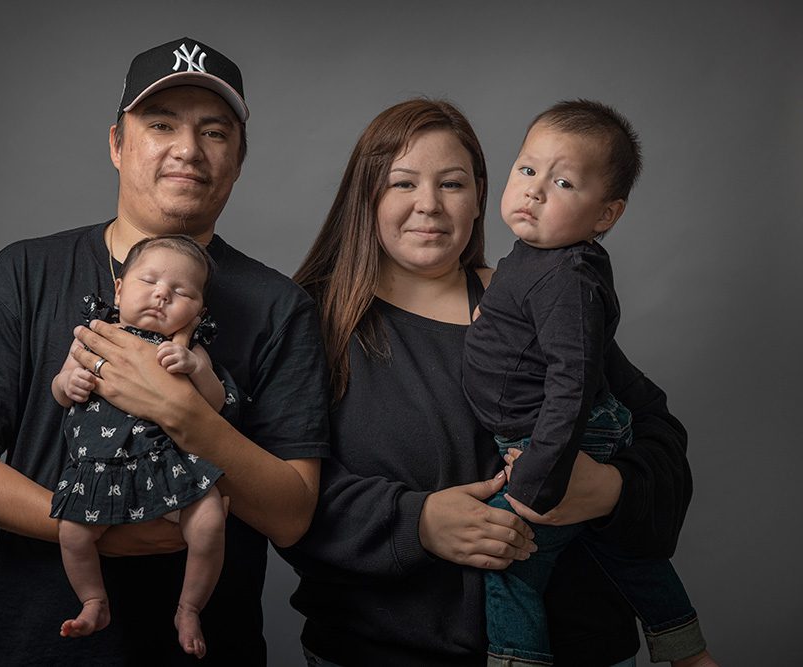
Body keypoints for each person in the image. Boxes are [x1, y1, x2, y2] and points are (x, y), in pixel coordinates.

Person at [0, 37, 329, 665]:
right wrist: (98, 524)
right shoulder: (25, 272)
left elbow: (292, 514)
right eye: (160, 125)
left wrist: (186, 413)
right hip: (44, 644)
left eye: (214, 132)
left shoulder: (278, 304)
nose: (187, 149)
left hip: (210, 649)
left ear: (238, 159)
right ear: (116, 144)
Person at [283, 98, 695, 667]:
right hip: (383, 648)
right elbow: (279, 498)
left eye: (451, 184)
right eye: (402, 183)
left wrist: (610, 490)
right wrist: (416, 521)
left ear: (479, 195)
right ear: (367, 195)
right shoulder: (312, 320)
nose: (428, 205)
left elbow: (657, 435)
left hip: (580, 645)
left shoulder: (532, 298)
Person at [463, 100, 714, 666]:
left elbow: (573, 387)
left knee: (511, 561)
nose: (534, 191)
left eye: (564, 182)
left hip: (563, 438)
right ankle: (687, 651)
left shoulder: (567, 279)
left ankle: (517, 659)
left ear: (606, 215)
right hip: (554, 431)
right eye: (527, 170)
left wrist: (536, 479)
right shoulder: (532, 257)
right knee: (620, 552)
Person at [51, 235, 233, 658]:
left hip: (166, 466)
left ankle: (189, 607)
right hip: (99, 468)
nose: (161, 294)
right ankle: (94, 599)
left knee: (208, 523)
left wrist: (193, 368)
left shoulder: (188, 351)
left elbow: (216, 402)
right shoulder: (96, 337)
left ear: (199, 311)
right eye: (148, 280)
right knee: (73, 533)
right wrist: (69, 383)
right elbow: (59, 388)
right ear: (118, 289)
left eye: (181, 291)